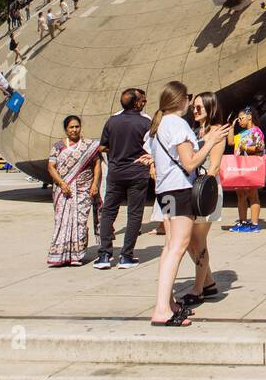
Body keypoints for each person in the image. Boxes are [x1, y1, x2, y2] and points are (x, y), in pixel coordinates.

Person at [143, 80, 228, 327]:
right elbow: (190, 163)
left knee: (169, 246)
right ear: (181, 100)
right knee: (178, 248)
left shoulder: (159, 125)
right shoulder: (178, 124)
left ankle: (167, 303)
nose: (191, 103)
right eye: (189, 98)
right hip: (180, 190)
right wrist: (210, 142)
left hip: (164, 191)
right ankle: (162, 310)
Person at [94, 88, 152, 269]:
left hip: (116, 172)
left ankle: (104, 255)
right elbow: (152, 148)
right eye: (142, 99)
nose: (145, 101)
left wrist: (117, 151)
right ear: (136, 103)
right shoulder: (146, 122)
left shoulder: (112, 121)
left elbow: (102, 147)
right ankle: (126, 256)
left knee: (109, 212)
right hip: (137, 173)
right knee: (134, 214)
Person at [181, 91, 227, 308]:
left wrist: (201, 189)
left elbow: (214, 166)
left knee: (198, 241)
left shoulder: (217, 131)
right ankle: (208, 282)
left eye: (200, 107)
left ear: (211, 108)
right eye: (194, 107)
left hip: (206, 191)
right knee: (189, 239)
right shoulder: (196, 129)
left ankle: (198, 288)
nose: (195, 110)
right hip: (194, 188)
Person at [46, 115, 102, 267]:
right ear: (66, 129)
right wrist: (62, 183)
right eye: (71, 127)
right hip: (63, 190)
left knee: (80, 221)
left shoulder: (88, 145)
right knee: (62, 221)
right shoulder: (58, 146)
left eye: (77, 126)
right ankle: (60, 254)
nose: (74, 130)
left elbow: (97, 163)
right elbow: (51, 167)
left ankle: (77, 255)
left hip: (84, 189)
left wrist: (95, 184)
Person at [229, 107, 266, 232]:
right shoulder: (241, 134)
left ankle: (254, 224)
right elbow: (230, 142)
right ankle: (242, 221)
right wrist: (231, 127)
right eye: (238, 119)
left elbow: (259, 148)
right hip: (241, 166)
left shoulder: (256, 131)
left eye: (241, 118)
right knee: (240, 194)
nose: (239, 121)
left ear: (249, 116)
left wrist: (245, 147)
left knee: (252, 194)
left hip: (251, 167)